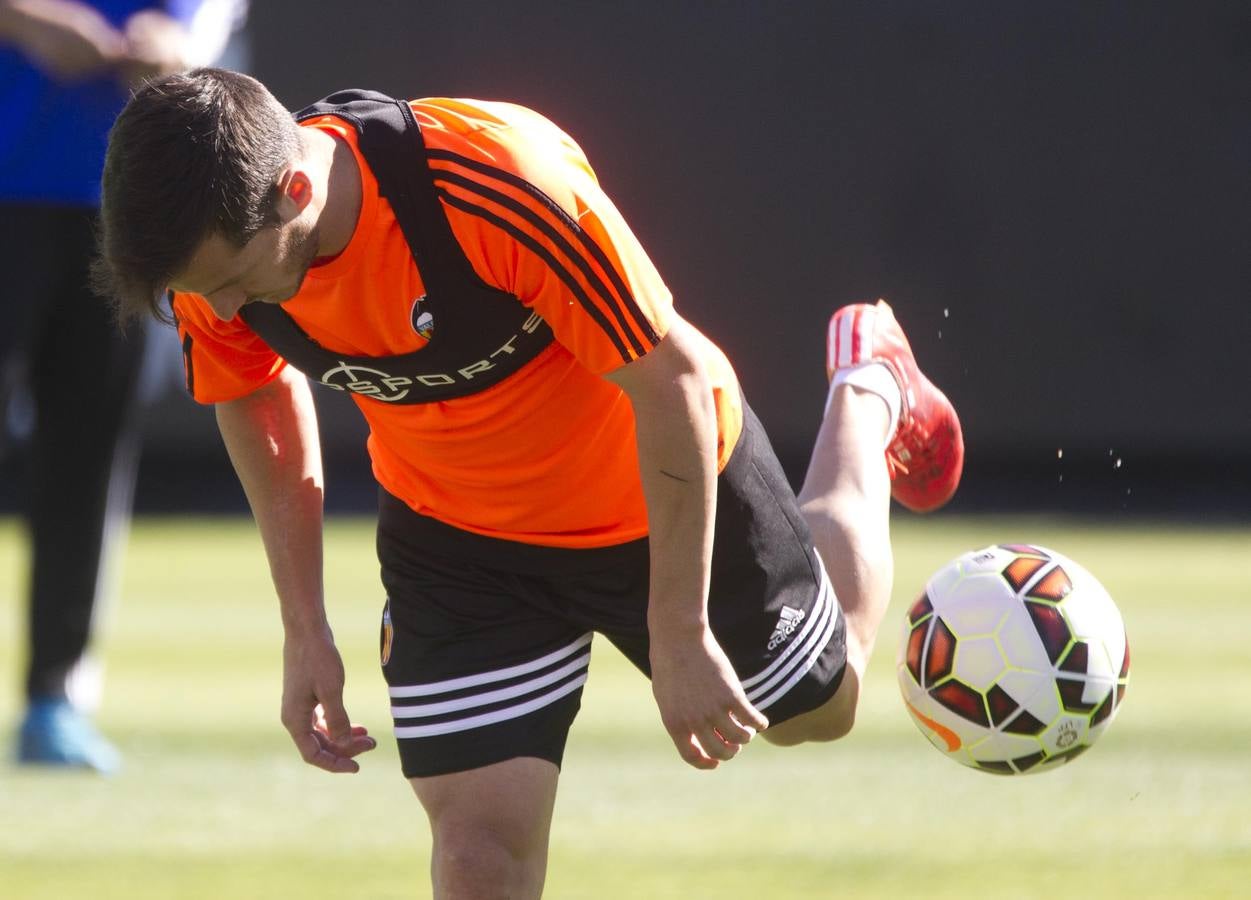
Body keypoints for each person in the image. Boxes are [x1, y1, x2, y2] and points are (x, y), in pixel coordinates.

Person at [93, 68, 963, 896]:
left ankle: (868, 382)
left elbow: (676, 381)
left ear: (295, 192)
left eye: (241, 282)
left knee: (820, 708)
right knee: (477, 859)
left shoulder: (495, 180)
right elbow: (250, 392)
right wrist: (303, 624)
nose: (232, 310)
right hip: (458, 542)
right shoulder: (219, 255)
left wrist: (679, 625)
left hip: (650, 492)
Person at [0, 0, 248, 772]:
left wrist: (185, 43)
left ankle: (56, 699)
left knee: (90, 454)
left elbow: (207, 17)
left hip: (122, 207)